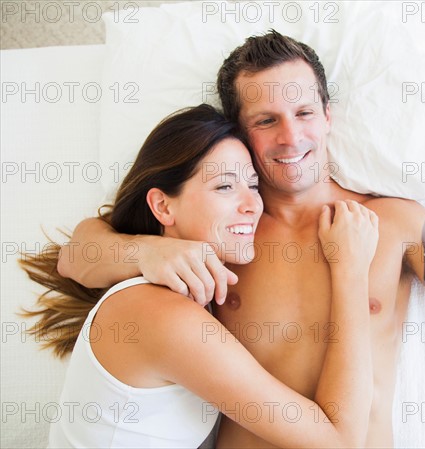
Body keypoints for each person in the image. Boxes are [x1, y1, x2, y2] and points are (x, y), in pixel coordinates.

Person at [57, 31, 425, 447]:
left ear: (328, 116)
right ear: (242, 132)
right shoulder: (226, 234)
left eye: (303, 113)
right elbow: (77, 254)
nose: (291, 138)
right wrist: (149, 250)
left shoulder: (395, 221)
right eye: (266, 120)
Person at [21, 104, 380, 448]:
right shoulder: (165, 316)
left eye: (253, 185)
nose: (253, 204)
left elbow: (76, 254)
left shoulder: (165, 294)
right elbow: (339, 440)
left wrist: (148, 250)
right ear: (163, 206)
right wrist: (350, 270)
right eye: (225, 186)